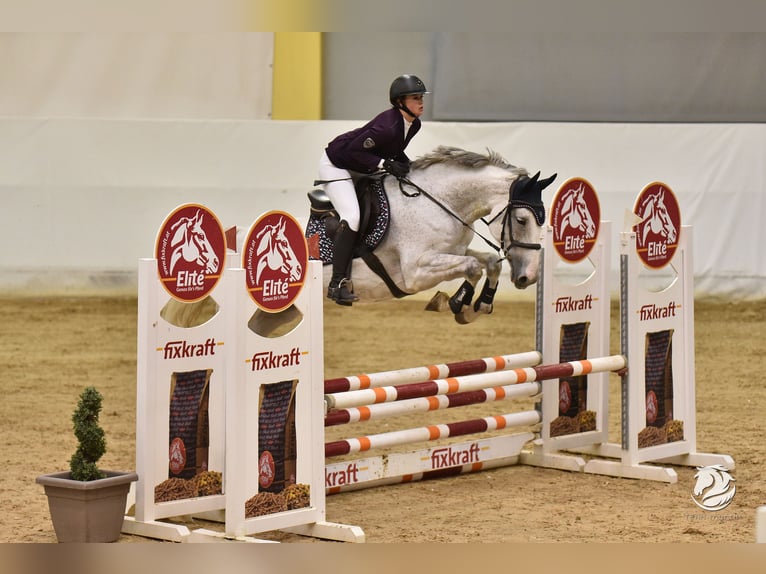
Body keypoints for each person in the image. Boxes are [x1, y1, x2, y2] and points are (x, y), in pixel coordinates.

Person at [318, 74, 429, 306]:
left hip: (358, 164)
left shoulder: (413, 124)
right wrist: (383, 164)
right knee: (353, 216)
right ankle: (337, 283)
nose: (421, 102)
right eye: (415, 98)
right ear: (400, 102)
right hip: (337, 164)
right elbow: (352, 151)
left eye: (421, 97)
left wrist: (407, 165)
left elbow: (394, 149)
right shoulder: (387, 126)